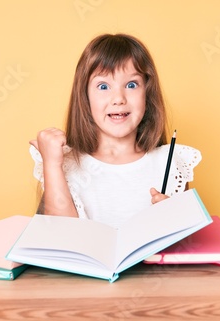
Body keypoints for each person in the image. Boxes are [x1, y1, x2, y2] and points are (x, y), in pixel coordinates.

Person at [29, 33, 201, 228]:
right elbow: (59, 235)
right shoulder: (65, 164)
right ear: (85, 97)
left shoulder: (172, 163)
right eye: (103, 86)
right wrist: (52, 165)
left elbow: (186, 244)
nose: (118, 98)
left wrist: (175, 221)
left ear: (147, 93)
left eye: (131, 85)